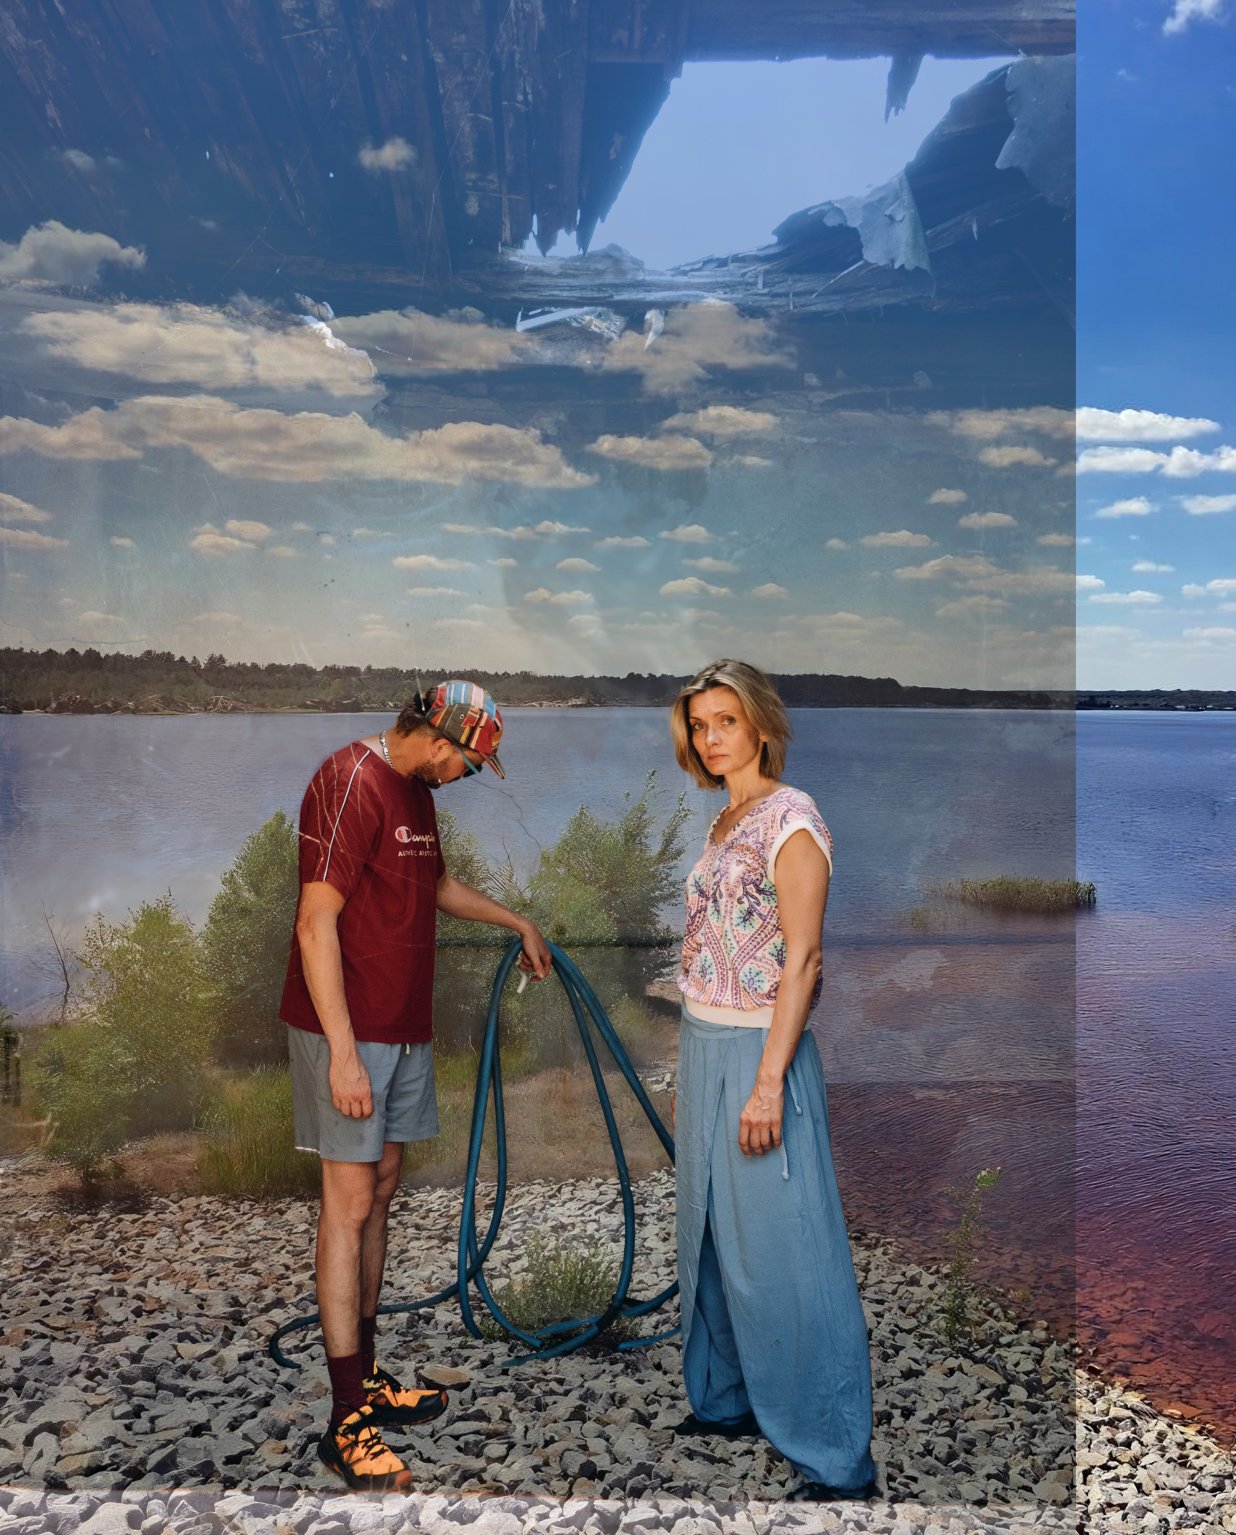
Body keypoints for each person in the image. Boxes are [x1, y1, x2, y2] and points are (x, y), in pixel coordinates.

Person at [280, 680, 551, 1492]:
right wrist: (341, 1054)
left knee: (383, 1187)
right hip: (347, 1029)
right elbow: (314, 919)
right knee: (349, 1200)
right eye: (472, 760)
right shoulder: (347, 780)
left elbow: (430, 886)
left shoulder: (415, 792)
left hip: (400, 1027)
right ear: (440, 735)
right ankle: (344, 1421)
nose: (471, 773)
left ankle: (364, 1378)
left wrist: (518, 921)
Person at [669, 658, 877, 1501]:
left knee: (791, 1249)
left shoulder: (793, 820)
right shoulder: (727, 820)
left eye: (725, 720)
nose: (712, 737)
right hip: (701, 1042)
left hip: (761, 1053)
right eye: (700, 725)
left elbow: (805, 959)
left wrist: (766, 1084)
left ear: (760, 723)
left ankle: (835, 1451)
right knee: (712, 1232)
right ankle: (727, 1400)